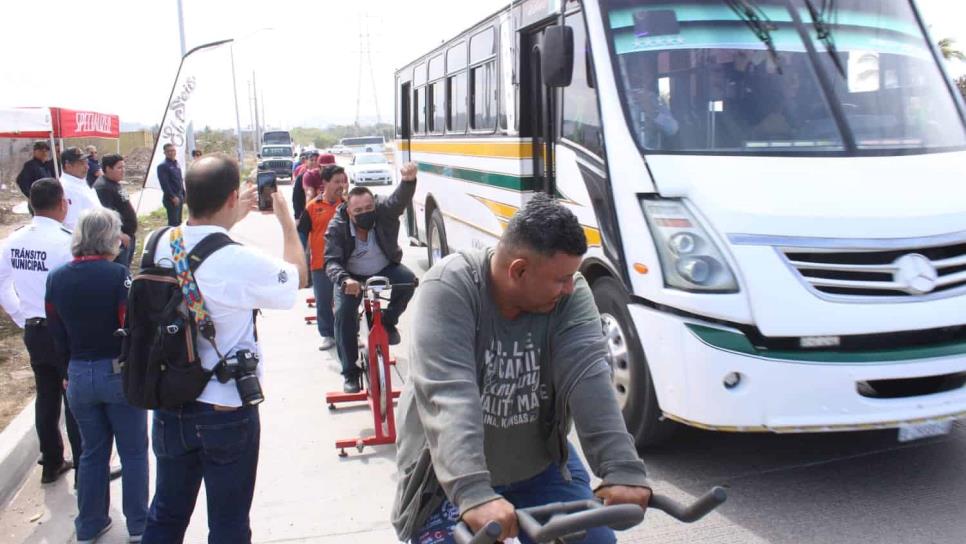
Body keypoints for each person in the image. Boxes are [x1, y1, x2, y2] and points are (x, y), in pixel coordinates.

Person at [391, 194, 651, 544]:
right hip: (447, 474)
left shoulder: (570, 296)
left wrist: (621, 467)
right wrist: (472, 492)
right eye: (560, 279)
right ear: (519, 270)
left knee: (594, 541)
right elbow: (449, 394)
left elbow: (589, 376)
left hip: (537, 465)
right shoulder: (451, 287)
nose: (569, 288)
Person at [140, 154, 306, 544]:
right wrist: (285, 220)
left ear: (186, 195)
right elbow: (297, 277)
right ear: (233, 197)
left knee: (165, 514)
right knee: (229, 524)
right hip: (224, 410)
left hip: (170, 405)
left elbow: (197, 243)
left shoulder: (159, 241)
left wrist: (228, 217)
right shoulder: (237, 259)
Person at [46, 208, 149, 544]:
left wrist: (65, 371)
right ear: (110, 237)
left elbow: (55, 330)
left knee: (92, 452)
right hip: (116, 373)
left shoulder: (56, 277)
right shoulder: (118, 276)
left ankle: (89, 524)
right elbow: (129, 327)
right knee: (133, 451)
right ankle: (138, 525)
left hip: (77, 373)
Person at [0, 178, 82, 485]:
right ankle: (82, 468)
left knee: (46, 396)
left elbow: (2, 284)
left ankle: (51, 461)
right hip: (63, 332)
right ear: (62, 203)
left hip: (34, 329)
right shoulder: (67, 241)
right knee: (73, 397)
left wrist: (22, 315)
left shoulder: (14, 240)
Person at [324, 162, 418, 393]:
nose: (364, 214)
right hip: (351, 276)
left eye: (368, 208)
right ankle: (350, 372)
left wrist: (408, 181)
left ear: (374, 205)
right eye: (358, 211)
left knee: (408, 281)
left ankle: (387, 322)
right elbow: (331, 262)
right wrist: (345, 281)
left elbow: (399, 200)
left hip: (384, 268)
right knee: (345, 315)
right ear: (349, 211)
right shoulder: (337, 226)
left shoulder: (383, 211)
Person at [298, 165, 349, 351]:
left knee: (347, 303)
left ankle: (350, 334)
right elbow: (302, 235)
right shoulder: (312, 207)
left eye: (342, 181)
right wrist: (299, 262)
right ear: (325, 183)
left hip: (345, 265)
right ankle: (328, 335)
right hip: (320, 264)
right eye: (336, 181)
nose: (341, 185)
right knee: (323, 302)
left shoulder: (347, 206)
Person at [94, 154, 138, 268]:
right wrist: (120, 234)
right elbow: (105, 216)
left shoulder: (114, 183)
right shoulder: (103, 187)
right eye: (119, 168)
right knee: (120, 271)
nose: (123, 171)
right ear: (108, 168)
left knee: (126, 270)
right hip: (118, 240)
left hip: (128, 236)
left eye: (124, 167)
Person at [60, 147, 103, 231]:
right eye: (81, 164)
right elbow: (72, 224)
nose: (87, 167)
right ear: (68, 165)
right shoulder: (65, 188)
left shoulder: (81, 183)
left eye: (86, 163)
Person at [157, 143, 185, 227]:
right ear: (164, 153)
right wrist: (172, 197)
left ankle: (179, 239)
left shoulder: (176, 163)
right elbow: (164, 184)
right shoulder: (163, 166)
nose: (171, 152)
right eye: (168, 151)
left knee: (179, 222)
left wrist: (184, 194)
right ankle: (172, 239)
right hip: (171, 199)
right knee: (173, 224)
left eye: (173, 150)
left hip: (179, 196)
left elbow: (179, 180)